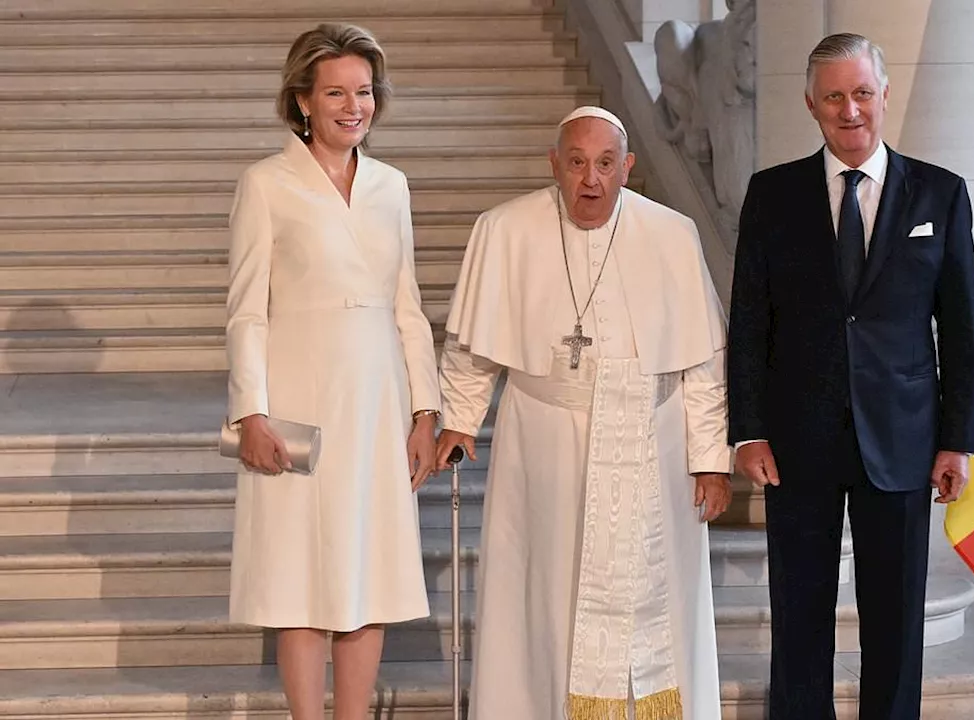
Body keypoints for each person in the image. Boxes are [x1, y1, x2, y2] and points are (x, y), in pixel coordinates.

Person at [434, 106, 731, 720]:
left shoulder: (673, 234)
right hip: (543, 444)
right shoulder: (505, 230)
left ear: (628, 167)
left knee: (655, 604)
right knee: (546, 597)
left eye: (604, 164)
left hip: (652, 441)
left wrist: (710, 459)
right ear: (554, 165)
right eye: (576, 163)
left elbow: (702, 363)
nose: (590, 180)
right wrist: (459, 421)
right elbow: (471, 348)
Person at [726, 34, 974, 720]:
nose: (850, 110)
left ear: (885, 95)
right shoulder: (772, 194)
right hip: (797, 440)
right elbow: (749, 321)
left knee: (895, 620)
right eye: (835, 95)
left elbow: (961, 329)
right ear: (811, 102)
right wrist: (748, 429)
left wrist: (957, 439)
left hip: (902, 441)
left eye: (862, 93)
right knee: (801, 612)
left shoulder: (942, 193)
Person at [224, 23, 439, 720]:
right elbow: (246, 311)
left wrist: (424, 411)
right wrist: (249, 412)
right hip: (296, 402)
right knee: (298, 577)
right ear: (303, 101)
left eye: (365, 91)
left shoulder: (391, 186)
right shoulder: (266, 184)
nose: (354, 106)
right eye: (337, 92)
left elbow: (407, 304)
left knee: (366, 572)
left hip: (377, 401)